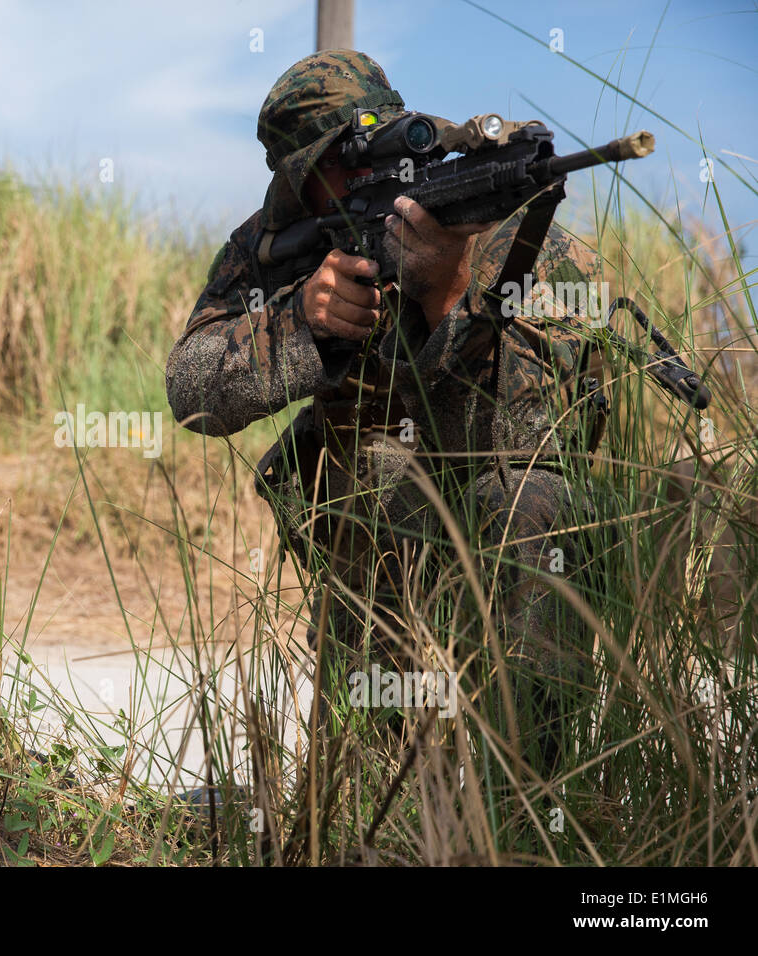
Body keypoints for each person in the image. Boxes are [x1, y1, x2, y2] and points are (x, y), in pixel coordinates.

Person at [165, 50, 608, 769]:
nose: (352, 180)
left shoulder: (515, 234)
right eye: (329, 169)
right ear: (298, 182)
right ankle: (375, 780)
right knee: (373, 469)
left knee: (530, 500)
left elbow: (540, 440)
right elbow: (191, 392)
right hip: (370, 528)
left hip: (503, 513)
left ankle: (531, 797)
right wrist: (299, 326)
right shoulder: (276, 239)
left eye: (365, 152)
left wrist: (447, 293)